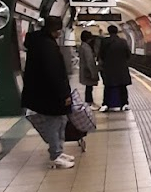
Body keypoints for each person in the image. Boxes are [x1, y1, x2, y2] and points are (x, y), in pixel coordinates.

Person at [21, 14, 74, 168]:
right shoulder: (47, 46)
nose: (60, 33)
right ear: (55, 30)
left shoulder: (40, 43)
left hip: (44, 91)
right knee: (54, 122)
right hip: (49, 93)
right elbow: (54, 72)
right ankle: (56, 155)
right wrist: (64, 94)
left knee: (61, 120)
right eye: (59, 30)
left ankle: (58, 151)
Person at [98, 24, 132, 112]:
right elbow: (128, 55)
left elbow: (101, 55)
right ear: (117, 31)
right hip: (121, 68)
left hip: (109, 69)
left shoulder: (105, 42)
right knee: (122, 87)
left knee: (108, 87)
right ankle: (125, 104)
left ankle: (106, 104)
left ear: (108, 32)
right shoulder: (123, 42)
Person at [78, 29, 99, 107]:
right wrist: (93, 73)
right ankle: (89, 102)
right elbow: (89, 61)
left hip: (85, 70)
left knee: (88, 87)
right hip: (88, 71)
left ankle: (89, 101)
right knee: (89, 88)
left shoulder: (82, 46)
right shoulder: (86, 48)